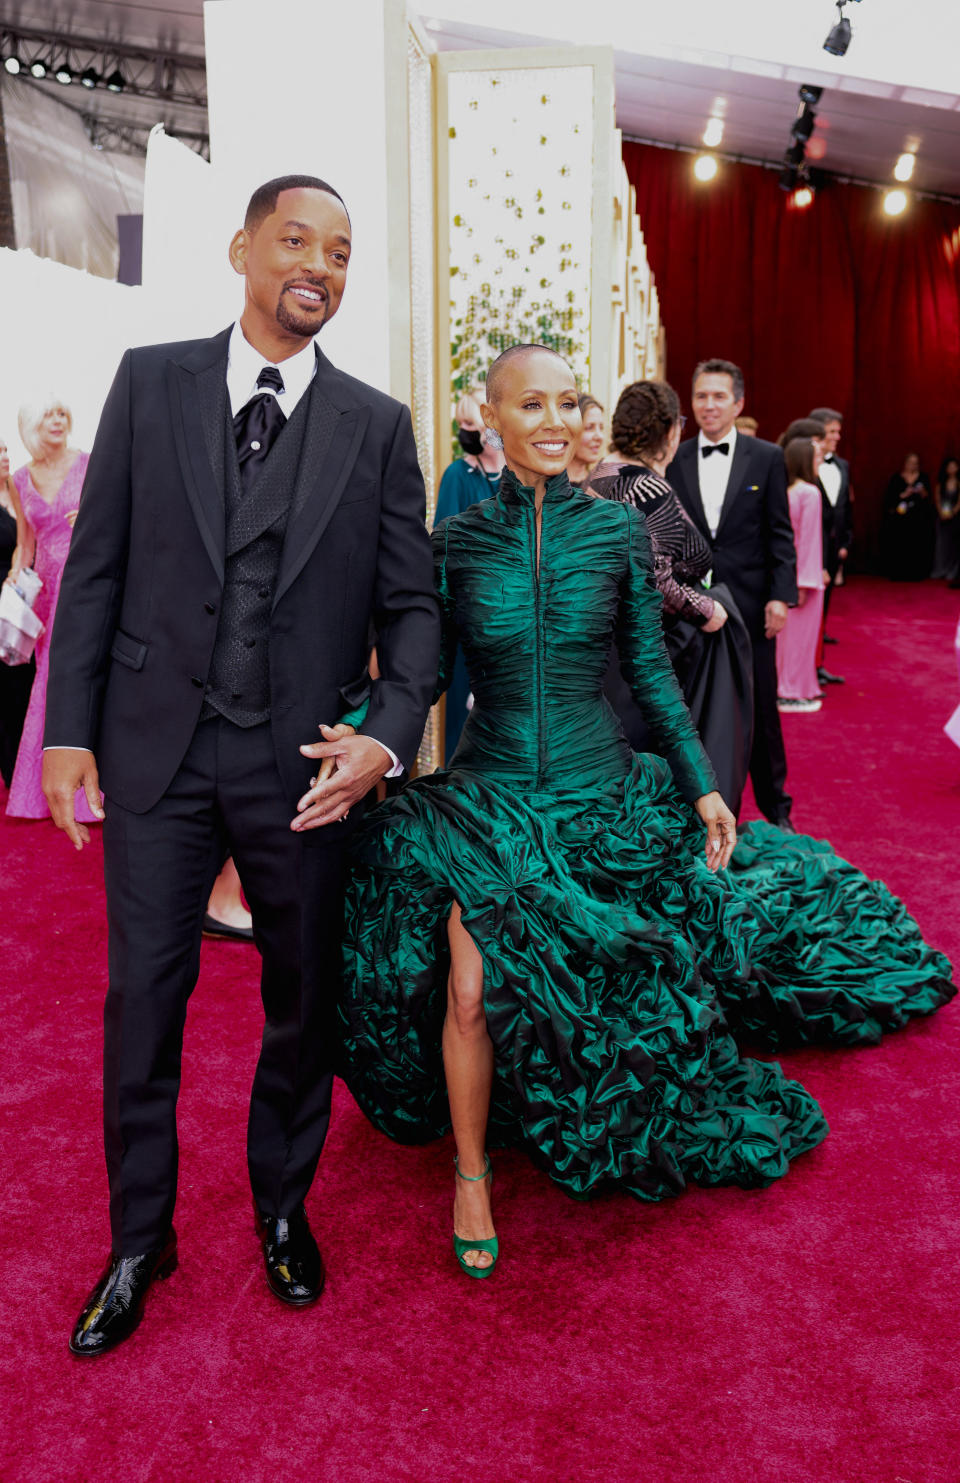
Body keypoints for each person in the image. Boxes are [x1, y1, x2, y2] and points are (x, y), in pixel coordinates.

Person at [335, 343, 953, 1279]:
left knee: (610, 985)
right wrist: (368, 742)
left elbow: (652, 672)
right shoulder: (454, 544)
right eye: (529, 404)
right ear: (488, 415)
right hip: (489, 800)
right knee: (468, 985)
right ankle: (471, 1172)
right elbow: (416, 676)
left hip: (600, 792)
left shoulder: (617, 535)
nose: (552, 421)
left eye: (565, 402)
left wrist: (703, 779)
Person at [42, 174, 440, 1356]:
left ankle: (280, 1206)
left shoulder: (376, 424)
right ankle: (139, 1238)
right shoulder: (150, 379)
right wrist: (68, 729)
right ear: (241, 249)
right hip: (156, 753)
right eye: (297, 239)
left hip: (305, 765)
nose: (320, 262)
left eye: (342, 249)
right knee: (141, 1004)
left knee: (300, 1002)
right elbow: (98, 569)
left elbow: (413, 609)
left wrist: (386, 733)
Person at [587, 379, 754, 816]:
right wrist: (710, 611)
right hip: (651, 652)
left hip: (606, 649)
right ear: (669, 431)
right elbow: (653, 582)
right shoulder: (648, 488)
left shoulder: (597, 477)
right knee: (645, 771)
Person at [666, 358, 798, 829]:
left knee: (760, 710)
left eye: (719, 396)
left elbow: (780, 534)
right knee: (694, 705)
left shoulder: (766, 457)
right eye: (701, 396)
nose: (709, 405)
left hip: (750, 604)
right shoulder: (676, 458)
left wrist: (781, 597)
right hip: (689, 610)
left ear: (738, 403)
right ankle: (697, 809)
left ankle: (777, 809)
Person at [5, 400, 94, 820]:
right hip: (46, 596)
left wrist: (90, 524)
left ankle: (89, 792)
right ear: (33, 425)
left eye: (63, 413)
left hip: (86, 587)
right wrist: (10, 586)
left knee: (83, 678)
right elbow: (25, 543)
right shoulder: (20, 479)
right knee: (46, 687)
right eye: (49, 415)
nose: (58, 420)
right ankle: (36, 795)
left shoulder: (91, 464)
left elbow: (118, 526)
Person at [434, 390, 504, 761]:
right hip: (473, 617)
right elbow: (446, 546)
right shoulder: (458, 475)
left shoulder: (520, 472)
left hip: (517, 618)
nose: (465, 432)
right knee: (467, 724)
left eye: (471, 425)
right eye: (460, 425)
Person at [777, 438, 825, 713]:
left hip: (785, 575)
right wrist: (805, 581)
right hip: (803, 577)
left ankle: (794, 688)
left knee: (787, 639)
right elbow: (807, 540)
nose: (820, 461)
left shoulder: (786, 491)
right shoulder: (809, 493)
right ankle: (791, 692)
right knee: (799, 639)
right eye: (816, 457)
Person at [0, 437, 35, 788]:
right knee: (6, 692)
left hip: (25, 605)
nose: (5, 457)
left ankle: (27, 773)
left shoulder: (21, 493)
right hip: (2, 608)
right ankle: (12, 775)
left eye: (6, 450)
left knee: (26, 688)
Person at [809, 406, 852, 679]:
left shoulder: (843, 466)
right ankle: (811, 666)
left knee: (824, 605)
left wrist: (847, 540)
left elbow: (846, 507)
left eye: (838, 431)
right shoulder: (803, 465)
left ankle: (817, 661)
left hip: (834, 546)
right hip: (812, 547)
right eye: (832, 431)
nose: (837, 436)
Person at [880, 454, 935, 580]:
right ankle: (898, 572)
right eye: (911, 462)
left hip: (918, 518)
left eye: (916, 463)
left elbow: (929, 498)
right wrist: (904, 495)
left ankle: (916, 573)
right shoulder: (896, 478)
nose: (913, 465)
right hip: (900, 519)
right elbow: (889, 499)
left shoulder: (923, 477)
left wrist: (922, 493)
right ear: (905, 463)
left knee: (916, 545)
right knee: (900, 544)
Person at [932, 456, 960, 585]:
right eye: (949, 466)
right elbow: (937, 499)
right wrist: (941, 513)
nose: (952, 469)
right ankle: (940, 569)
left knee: (955, 545)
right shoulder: (941, 483)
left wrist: (953, 512)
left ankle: (953, 571)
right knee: (942, 544)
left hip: (956, 518)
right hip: (942, 516)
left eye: (954, 466)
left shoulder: (959, 482)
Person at [567, 393, 605, 486]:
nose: (599, 437)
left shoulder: (602, 486)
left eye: (601, 428)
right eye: (589, 428)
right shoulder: (544, 487)